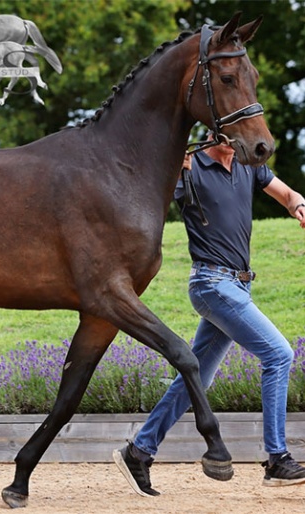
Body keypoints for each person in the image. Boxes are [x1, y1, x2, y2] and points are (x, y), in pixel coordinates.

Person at [113, 131, 305, 497]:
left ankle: (138, 452)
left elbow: (286, 193)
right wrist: (175, 171)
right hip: (212, 284)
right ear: (215, 130)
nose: (241, 136)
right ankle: (277, 458)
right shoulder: (190, 166)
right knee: (279, 355)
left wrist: (298, 205)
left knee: (196, 379)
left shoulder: (250, 164)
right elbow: (152, 202)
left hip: (238, 286)